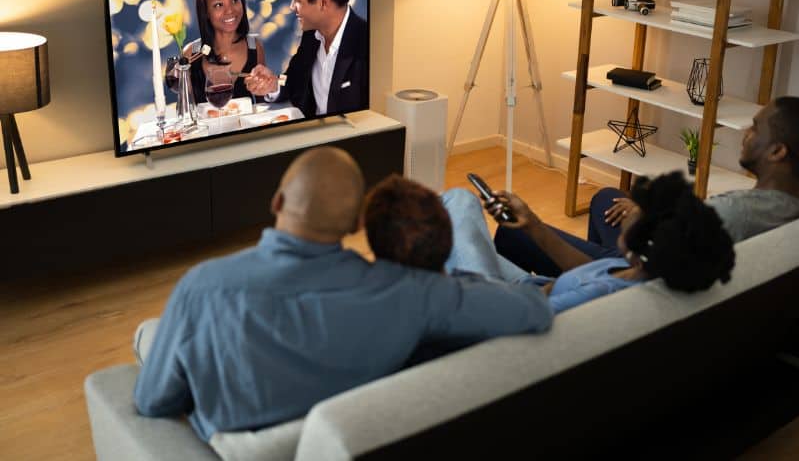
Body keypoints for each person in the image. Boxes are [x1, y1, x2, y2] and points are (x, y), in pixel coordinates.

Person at [133, 147, 552, 442]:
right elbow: (532, 309)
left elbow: (152, 402)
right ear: (356, 223)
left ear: (277, 200)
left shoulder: (202, 287)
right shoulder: (412, 293)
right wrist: (450, 282)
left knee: (149, 338)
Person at [496, 97, 799, 276]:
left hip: (632, 275)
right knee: (606, 199)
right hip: (667, 253)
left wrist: (640, 221)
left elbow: (640, 269)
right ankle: (601, 255)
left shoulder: (735, 213)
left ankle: (582, 278)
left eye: (756, 128)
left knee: (512, 232)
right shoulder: (782, 207)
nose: (746, 133)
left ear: (777, 152)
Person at [449, 172, 735, 313]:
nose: (635, 207)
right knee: (452, 237)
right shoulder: (637, 271)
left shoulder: (600, 294)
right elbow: (589, 270)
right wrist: (533, 223)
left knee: (460, 202)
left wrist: (544, 291)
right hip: (529, 289)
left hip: (499, 302)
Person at [247, 0, 368, 117]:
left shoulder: (367, 45)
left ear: (323, 2)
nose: (291, 6)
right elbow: (291, 81)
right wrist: (274, 84)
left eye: (297, 0)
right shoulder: (312, 35)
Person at [183, 0, 275, 104]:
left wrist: (266, 86)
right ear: (206, 11)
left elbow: (262, 105)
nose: (230, 10)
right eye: (219, 5)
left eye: (234, 0)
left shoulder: (255, 47)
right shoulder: (190, 53)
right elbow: (185, 111)